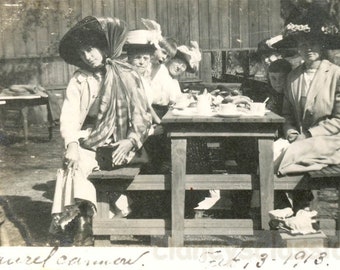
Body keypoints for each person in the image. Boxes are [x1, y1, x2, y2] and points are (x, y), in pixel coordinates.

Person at [49, 16, 152, 246]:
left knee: (104, 166)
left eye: (90, 49)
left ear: (102, 46)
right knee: (74, 163)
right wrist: (72, 144)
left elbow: (142, 115)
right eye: (82, 53)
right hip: (88, 137)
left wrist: (131, 140)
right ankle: (84, 223)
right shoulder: (80, 79)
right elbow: (70, 115)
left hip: (120, 138)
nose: (88, 56)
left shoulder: (126, 73)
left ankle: (93, 220)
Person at [272, 12, 340, 213]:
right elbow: (287, 114)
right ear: (297, 49)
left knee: (289, 155)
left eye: (313, 43)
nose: (308, 49)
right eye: (302, 45)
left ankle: (302, 209)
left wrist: (308, 135)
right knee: (267, 154)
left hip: (329, 139)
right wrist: (291, 132)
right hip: (299, 137)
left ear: (322, 46)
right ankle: (285, 208)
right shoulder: (293, 76)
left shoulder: (336, 74)